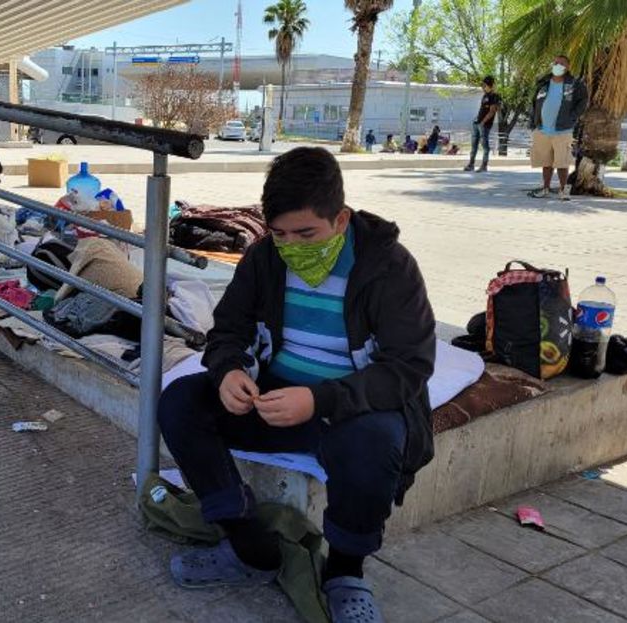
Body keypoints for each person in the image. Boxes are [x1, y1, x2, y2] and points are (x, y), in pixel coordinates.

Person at [158, 147, 436, 623]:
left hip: (351, 409)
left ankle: (345, 572)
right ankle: (247, 546)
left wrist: (320, 399)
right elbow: (228, 331)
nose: (293, 246)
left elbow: (408, 367)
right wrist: (230, 373)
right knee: (182, 401)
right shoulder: (265, 258)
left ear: (341, 219)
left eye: (307, 233)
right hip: (273, 401)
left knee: (376, 444)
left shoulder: (389, 267)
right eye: (281, 233)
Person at [527, 55, 588, 200]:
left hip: (563, 130)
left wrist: (572, 117)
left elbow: (583, 102)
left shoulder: (574, 84)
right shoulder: (544, 83)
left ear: (567, 67)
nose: (557, 65)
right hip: (542, 130)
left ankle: (563, 191)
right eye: (555, 63)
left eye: (561, 63)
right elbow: (534, 103)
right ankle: (545, 188)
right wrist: (534, 121)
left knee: (562, 162)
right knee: (546, 162)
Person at [464, 76, 501, 172]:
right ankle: (471, 164)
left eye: (484, 85)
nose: (482, 87)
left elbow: (492, 111)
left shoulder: (494, 96)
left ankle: (484, 165)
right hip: (477, 123)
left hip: (484, 125)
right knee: (474, 145)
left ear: (489, 85)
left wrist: (483, 122)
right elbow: (482, 110)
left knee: (485, 145)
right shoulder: (484, 96)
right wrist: (476, 120)